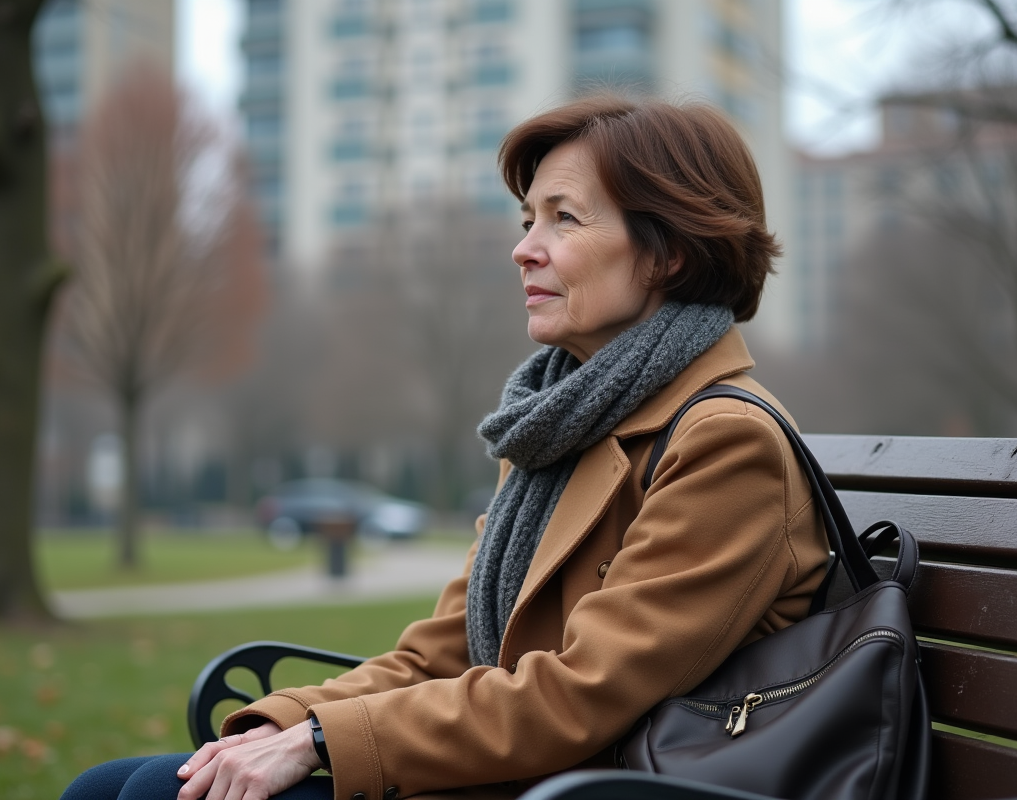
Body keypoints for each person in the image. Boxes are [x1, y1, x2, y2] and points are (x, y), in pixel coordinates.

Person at [61, 95, 830, 800]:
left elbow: (580, 696)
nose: (525, 249)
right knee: (107, 787)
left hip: (607, 783)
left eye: (565, 218)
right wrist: (291, 720)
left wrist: (323, 741)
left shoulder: (725, 443)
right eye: (528, 219)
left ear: (669, 253)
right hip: (526, 769)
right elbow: (440, 653)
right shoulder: (559, 429)